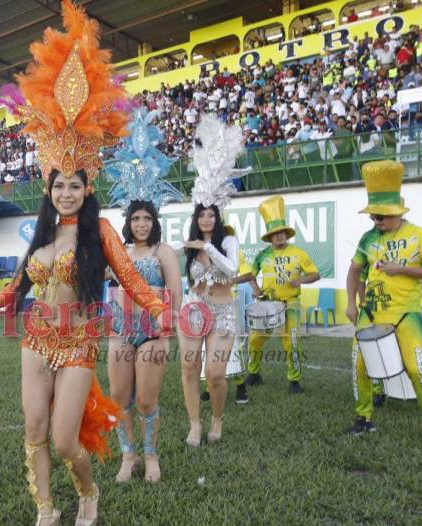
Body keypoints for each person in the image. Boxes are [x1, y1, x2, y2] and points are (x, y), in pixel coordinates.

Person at [0, 1, 167, 526]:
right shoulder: (38, 236)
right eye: (59, 184)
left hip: (80, 342)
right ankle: (45, 513)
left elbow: (133, 279)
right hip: (36, 339)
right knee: (33, 432)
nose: (67, 192)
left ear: (88, 187)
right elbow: (18, 288)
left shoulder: (102, 232)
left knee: (65, 440)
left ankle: (88, 491)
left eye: (76, 185)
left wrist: (160, 311)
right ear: (48, 187)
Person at [104, 108, 183, 484]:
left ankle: (151, 456)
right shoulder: (117, 252)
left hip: (152, 332)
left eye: (146, 219)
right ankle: (128, 455)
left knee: (147, 401)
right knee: (119, 400)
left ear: (154, 222)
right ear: (128, 221)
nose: (140, 224)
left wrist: (167, 333)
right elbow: (93, 275)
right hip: (120, 331)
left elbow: (176, 295)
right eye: (135, 219)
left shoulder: (163, 252)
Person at [345, 161, 422, 446]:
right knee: (361, 367)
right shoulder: (368, 238)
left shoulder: (418, 234)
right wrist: (351, 303)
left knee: (415, 368)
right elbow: (354, 271)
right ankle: (364, 419)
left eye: (381, 217)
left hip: (405, 314)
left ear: (396, 213)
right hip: (371, 313)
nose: (376, 221)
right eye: (373, 217)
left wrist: (400, 269)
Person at [178, 113, 247, 447]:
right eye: (201, 213)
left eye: (211, 213)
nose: (206, 218)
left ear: (218, 215)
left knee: (216, 374)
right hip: (192, 311)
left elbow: (232, 271)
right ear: (196, 216)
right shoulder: (190, 246)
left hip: (223, 312)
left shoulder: (227, 240)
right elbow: (188, 279)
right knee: (189, 370)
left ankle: (217, 419)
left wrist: (207, 246)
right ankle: (194, 424)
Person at [236, 196, 320, 396]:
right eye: (274, 234)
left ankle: (294, 380)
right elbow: (250, 274)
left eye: (281, 233)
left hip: (290, 303)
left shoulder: (299, 253)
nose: (278, 237)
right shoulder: (262, 255)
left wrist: (300, 281)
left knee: (291, 341)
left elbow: (315, 274)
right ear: (270, 237)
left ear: (286, 234)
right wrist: (254, 288)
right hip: (267, 303)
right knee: (255, 339)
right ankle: (254, 373)